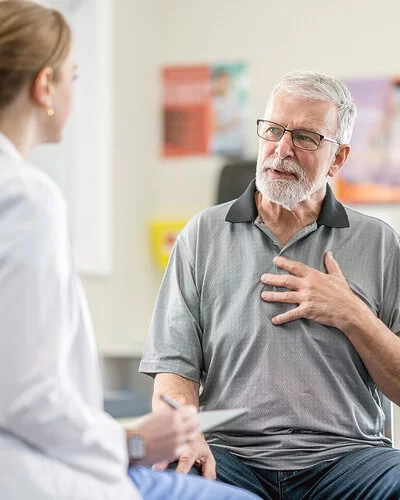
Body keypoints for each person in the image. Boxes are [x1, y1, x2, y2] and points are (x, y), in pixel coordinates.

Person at [0, 2, 260, 500]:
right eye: (73, 76)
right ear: (44, 87)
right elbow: (25, 397)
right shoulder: (27, 197)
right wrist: (132, 440)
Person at [140, 70, 400, 499]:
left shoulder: (379, 242)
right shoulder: (202, 235)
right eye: (274, 130)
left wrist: (352, 314)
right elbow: (174, 371)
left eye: (306, 137)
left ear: (338, 158)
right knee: (164, 481)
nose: (282, 149)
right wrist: (184, 434)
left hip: (348, 458)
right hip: (231, 456)